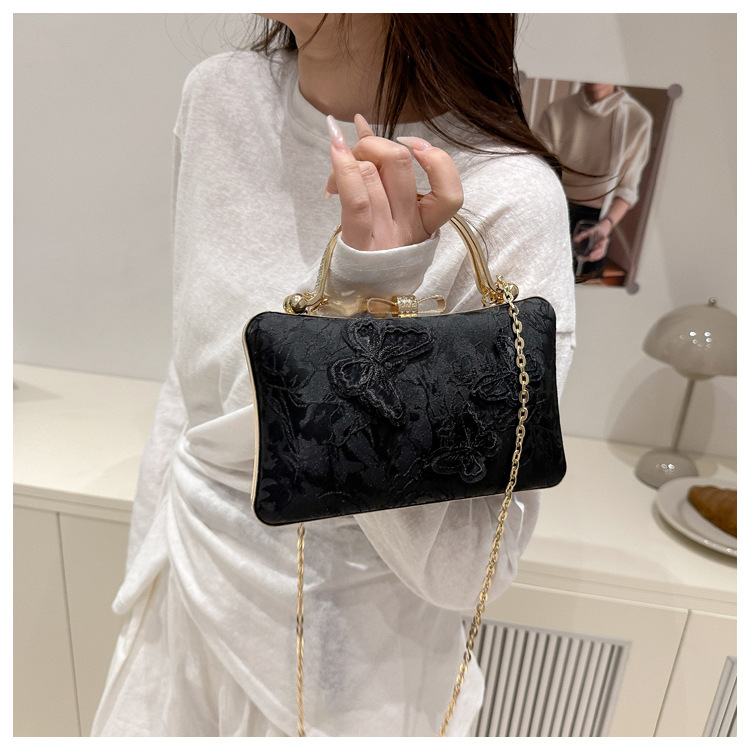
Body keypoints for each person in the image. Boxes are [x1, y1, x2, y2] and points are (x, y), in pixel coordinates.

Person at [91, 14, 575, 737]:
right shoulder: (220, 97)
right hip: (179, 612)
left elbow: (473, 567)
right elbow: (190, 391)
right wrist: (142, 582)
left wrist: (377, 307)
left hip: (356, 673)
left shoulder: (510, 196)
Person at [535, 82, 653, 282]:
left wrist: (605, 227)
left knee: (585, 289)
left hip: (597, 220)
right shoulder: (556, 112)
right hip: (555, 209)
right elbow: (539, 174)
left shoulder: (637, 119)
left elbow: (627, 189)